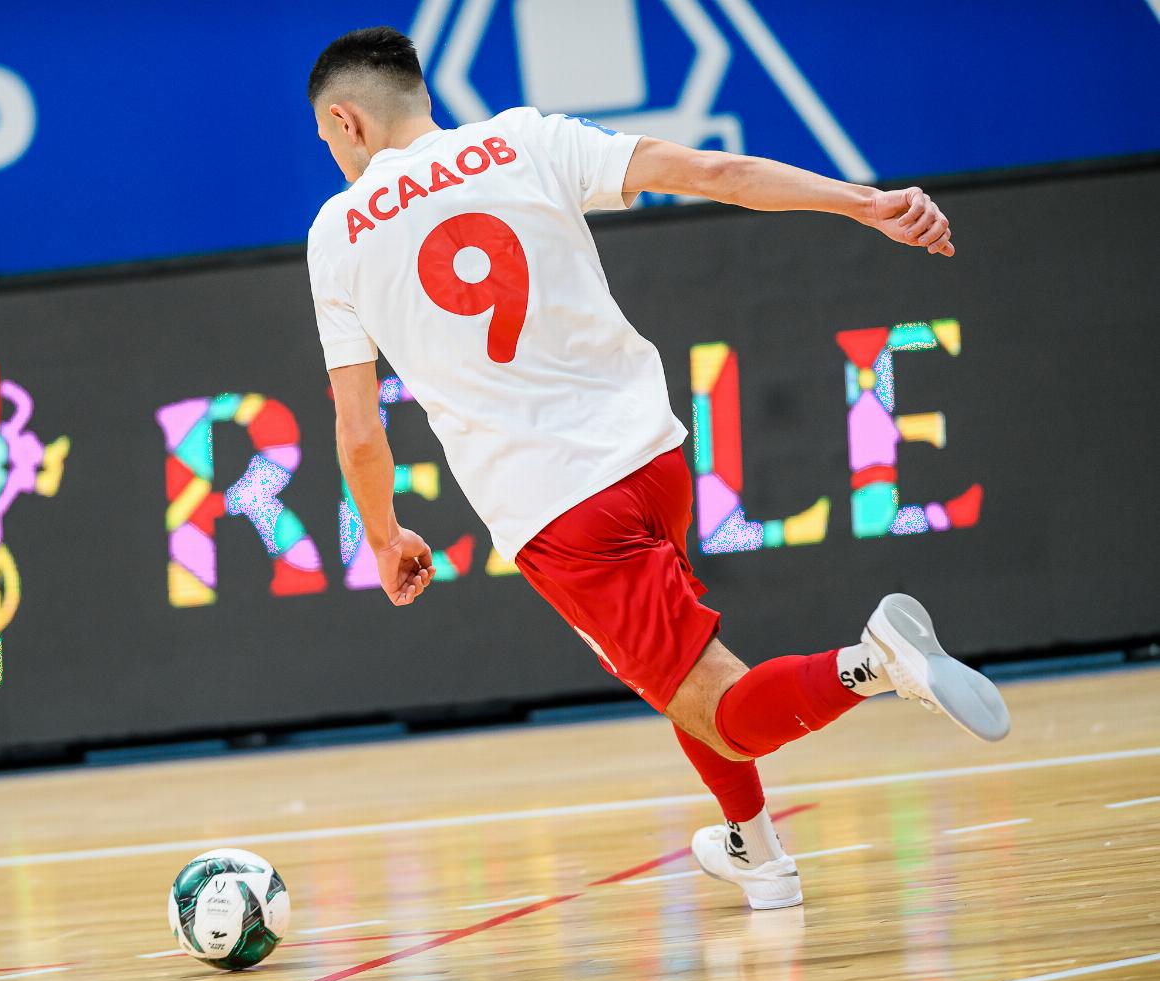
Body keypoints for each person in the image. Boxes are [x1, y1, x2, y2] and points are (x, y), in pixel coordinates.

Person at [305, 26, 1008, 910]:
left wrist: (383, 537)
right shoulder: (524, 138)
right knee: (684, 676)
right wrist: (864, 202)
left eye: (327, 138)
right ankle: (756, 849)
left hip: (556, 508)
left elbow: (359, 431)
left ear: (346, 121)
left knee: (716, 705)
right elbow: (717, 173)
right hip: (655, 458)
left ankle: (873, 664)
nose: (332, 153)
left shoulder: (338, 233)